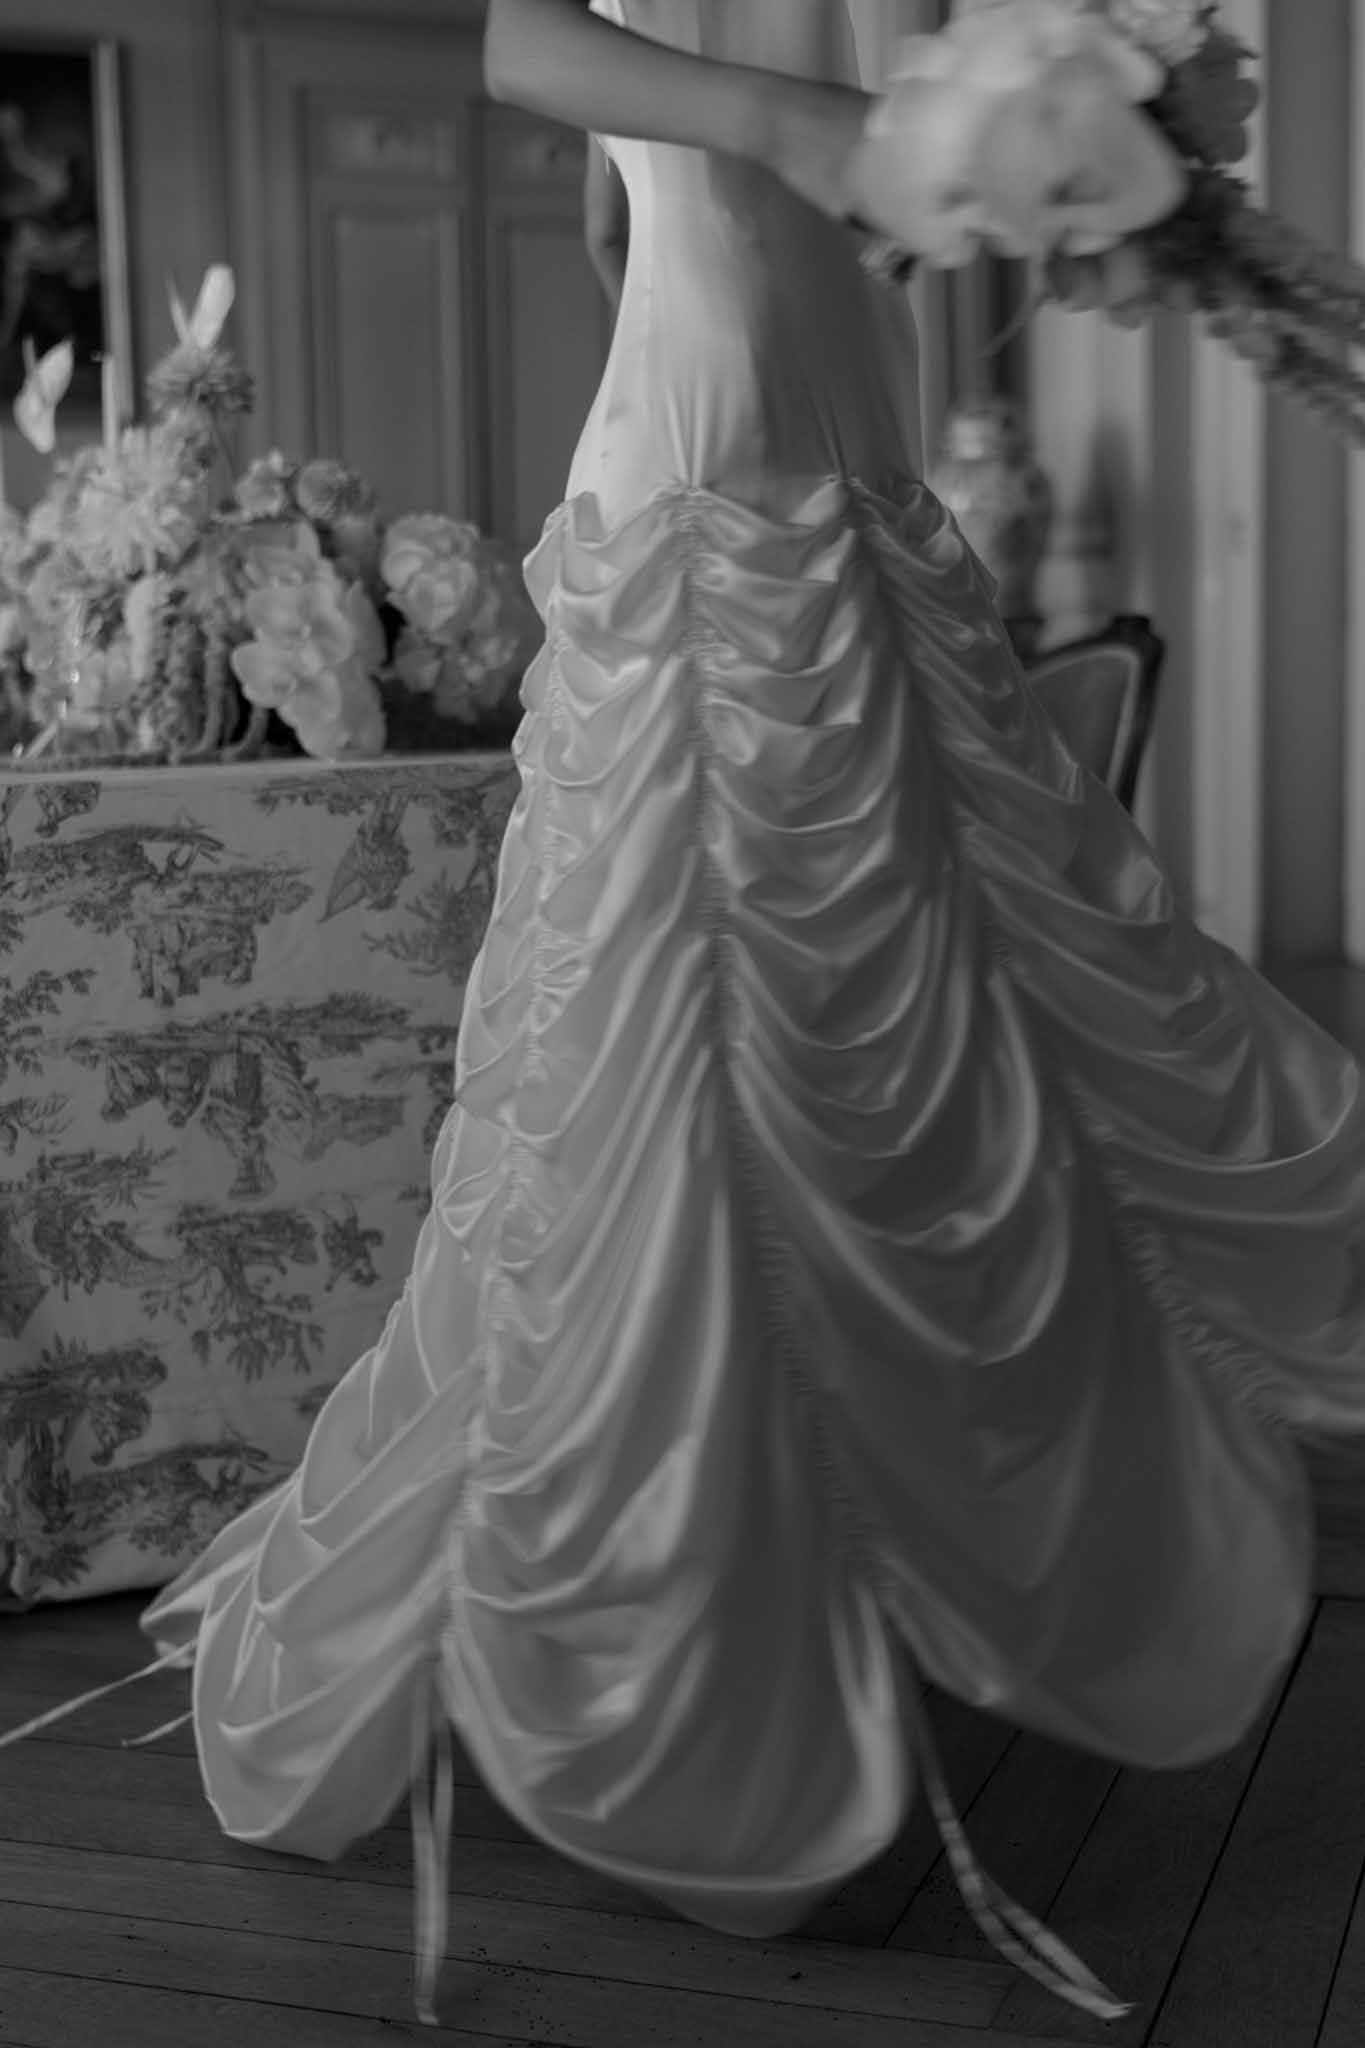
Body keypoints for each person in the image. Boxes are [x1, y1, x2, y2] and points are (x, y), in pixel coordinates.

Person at [8, 0, 1365, 2028]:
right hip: (718, 471)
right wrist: (818, 133)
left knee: (869, 1056)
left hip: (831, 436)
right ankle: (704, 1703)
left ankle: (841, 1588)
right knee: (684, 1075)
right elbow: (525, 47)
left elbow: (603, 201)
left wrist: (984, 161)